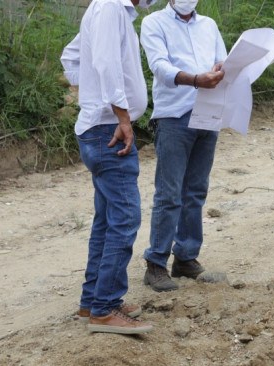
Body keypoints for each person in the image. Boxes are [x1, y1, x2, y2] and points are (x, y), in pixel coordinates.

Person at [60, 0, 156, 334]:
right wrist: (119, 114)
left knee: (107, 219)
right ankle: (104, 308)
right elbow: (105, 63)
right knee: (126, 217)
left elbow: (73, 57)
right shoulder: (110, 7)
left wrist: (92, 91)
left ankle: (94, 301)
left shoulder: (107, 10)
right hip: (108, 131)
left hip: (101, 128)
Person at [139, 0, 227, 292]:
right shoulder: (154, 23)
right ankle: (155, 263)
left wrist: (221, 70)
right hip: (174, 118)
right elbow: (160, 67)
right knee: (169, 193)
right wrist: (195, 79)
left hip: (209, 114)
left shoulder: (209, 25)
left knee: (196, 190)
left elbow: (223, 61)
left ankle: (186, 257)